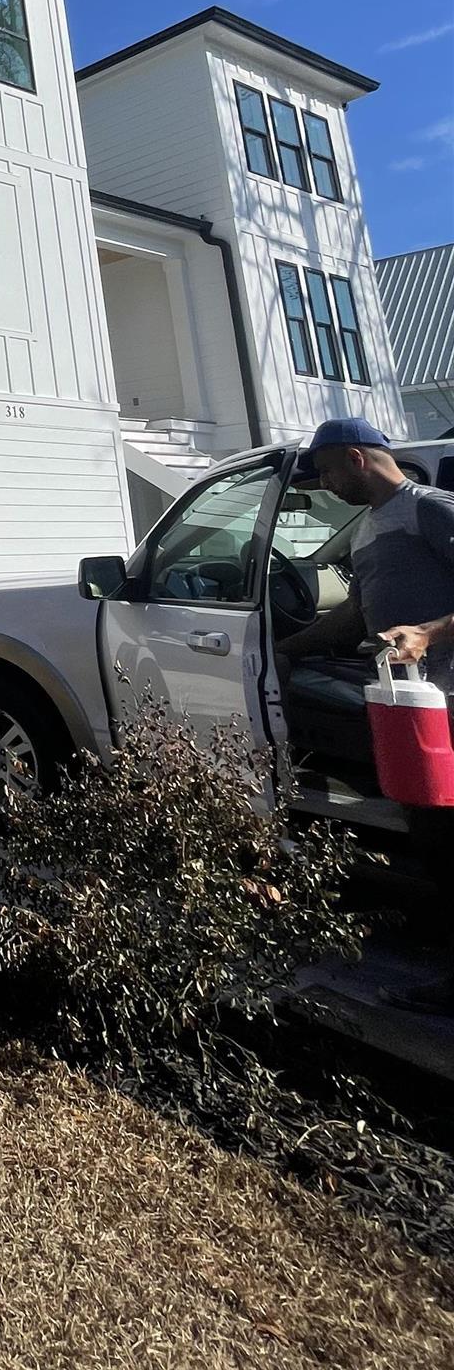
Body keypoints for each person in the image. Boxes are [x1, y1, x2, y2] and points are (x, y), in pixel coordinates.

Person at [277, 415, 454, 1012]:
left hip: (447, 702)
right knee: (434, 837)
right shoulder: (366, 531)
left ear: (356, 458)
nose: (324, 484)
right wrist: (279, 652)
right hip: (413, 712)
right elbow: (355, 618)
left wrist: (429, 634)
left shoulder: (430, 508)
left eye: (325, 470)